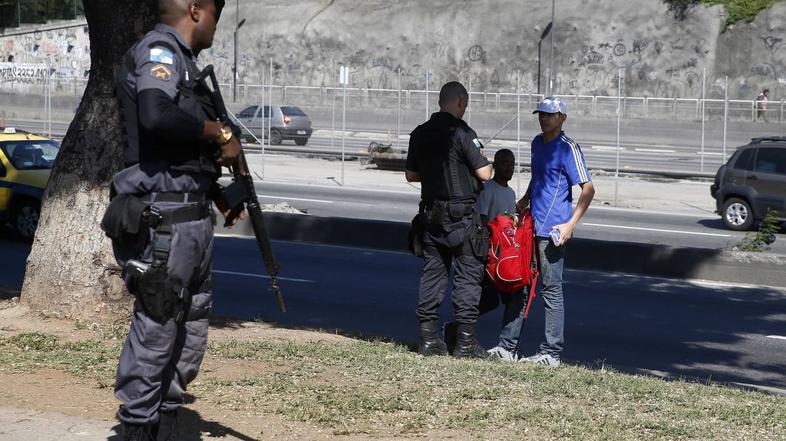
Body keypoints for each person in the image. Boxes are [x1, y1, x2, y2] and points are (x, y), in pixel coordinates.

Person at [106, 1, 242, 440]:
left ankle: (165, 421)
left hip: (192, 216)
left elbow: (180, 149)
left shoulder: (187, 65)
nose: (217, 27)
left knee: (191, 329)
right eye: (217, 16)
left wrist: (220, 192)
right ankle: (138, 429)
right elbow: (156, 114)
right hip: (164, 220)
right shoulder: (159, 51)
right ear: (196, 10)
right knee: (158, 326)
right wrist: (218, 133)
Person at [406, 81, 493, 359]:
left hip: (431, 216)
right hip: (462, 218)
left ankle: (429, 339)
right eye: (464, 105)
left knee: (433, 274)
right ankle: (465, 345)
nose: (464, 109)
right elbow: (485, 174)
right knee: (468, 277)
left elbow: (411, 174)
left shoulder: (419, 133)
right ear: (459, 102)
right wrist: (484, 161)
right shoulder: (462, 132)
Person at [515, 96, 595, 367]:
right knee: (523, 284)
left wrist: (570, 225)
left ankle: (551, 352)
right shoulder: (537, 143)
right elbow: (538, 178)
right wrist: (526, 198)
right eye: (541, 114)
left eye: (549, 115)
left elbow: (588, 188)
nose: (544, 118)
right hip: (531, 226)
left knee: (551, 290)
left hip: (553, 231)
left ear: (562, 118)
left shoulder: (568, 148)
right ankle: (509, 345)